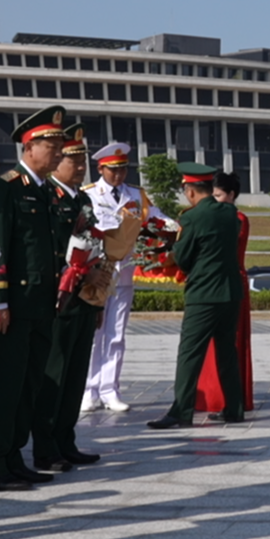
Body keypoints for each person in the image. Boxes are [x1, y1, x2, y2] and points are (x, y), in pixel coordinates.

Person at [0, 106, 68, 493]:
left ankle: (13, 457)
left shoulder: (45, 191)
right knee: (8, 387)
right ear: (29, 147)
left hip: (42, 305)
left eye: (61, 145)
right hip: (14, 306)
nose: (59, 152)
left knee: (30, 386)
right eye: (52, 145)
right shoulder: (5, 188)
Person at [147, 163, 246, 428]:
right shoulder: (229, 212)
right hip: (230, 292)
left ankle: (181, 410)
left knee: (190, 353)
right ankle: (234, 408)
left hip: (204, 293)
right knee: (227, 352)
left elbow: (184, 257)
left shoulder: (191, 218)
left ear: (190, 191)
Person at [32, 124, 104, 472]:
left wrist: (98, 296)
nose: (78, 166)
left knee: (76, 374)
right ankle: (45, 446)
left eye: (81, 159)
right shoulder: (49, 196)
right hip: (59, 300)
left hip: (84, 299)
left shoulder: (83, 199)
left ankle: (66, 439)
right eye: (71, 159)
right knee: (55, 374)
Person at [82, 142, 162, 413]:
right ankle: (89, 389)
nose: (119, 175)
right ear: (100, 168)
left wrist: (169, 228)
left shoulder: (136, 195)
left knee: (116, 334)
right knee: (94, 333)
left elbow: (156, 220)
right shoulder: (89, 195)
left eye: (123, 169)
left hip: (124, 272)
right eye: (113, 170)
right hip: (97, 273)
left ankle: (110, 389)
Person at [196, 171, 255, 415]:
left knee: (231, 343)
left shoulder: (238, 219)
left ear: (231, 195)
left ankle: (231, 399)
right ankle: (210, 397)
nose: (215, 199)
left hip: (233, 284)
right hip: (214, 283)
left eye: (218, 195)